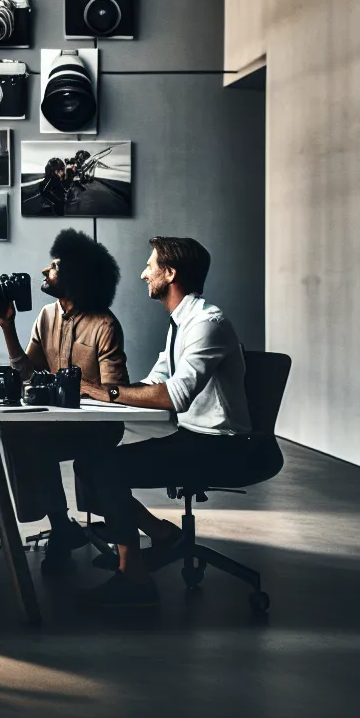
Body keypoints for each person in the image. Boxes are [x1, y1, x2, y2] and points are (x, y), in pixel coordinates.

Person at [73, 237, 253, 606]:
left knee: (107, 469)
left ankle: (134, 578)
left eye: (150, 265)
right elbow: (153, 384)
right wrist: (94, 392)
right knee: (89, 460)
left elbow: (174, 396)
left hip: (223, 447)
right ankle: (162, 536)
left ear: (170, 273)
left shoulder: (207, 323)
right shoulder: (180, 323)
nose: (143, 273)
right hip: (191, 436)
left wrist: (103, 393)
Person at [0, 230, 130, 574]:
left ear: (75, 276)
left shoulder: (105, 325)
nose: (44, 272)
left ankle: (75, 529)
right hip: (54, 423)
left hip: (97, 428)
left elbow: (116, 393)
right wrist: (8, 328)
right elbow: (28, 373)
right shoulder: (46, 316)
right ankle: (60, 524)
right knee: (16, 433)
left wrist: (83, 390)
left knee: (37, 442)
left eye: (53, 267)